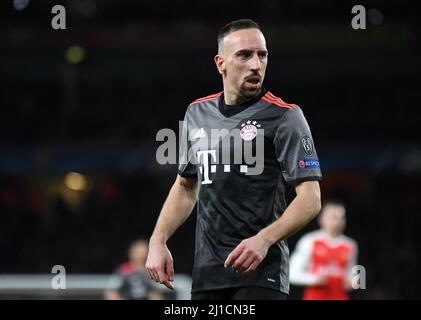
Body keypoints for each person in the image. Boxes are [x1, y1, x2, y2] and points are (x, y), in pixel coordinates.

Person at [146, 19, 322, 300]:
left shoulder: (286, 116)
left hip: (262, 274)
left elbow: (311, 198)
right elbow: (185, 186)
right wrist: (158, 240)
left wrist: (264, 240)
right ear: (220, 63)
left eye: (262, 55)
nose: (256, 64)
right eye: (244, 55)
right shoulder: (196, 113)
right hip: (207, 275)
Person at [289, 201, 358, 300]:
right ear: (322, 219)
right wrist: (314, 279)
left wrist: (353, 282)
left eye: (341, 218)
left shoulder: (350, 245)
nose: (338, 221)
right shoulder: (310, 241)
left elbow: (354, 274)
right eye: (333, 217)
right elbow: (292, 273)